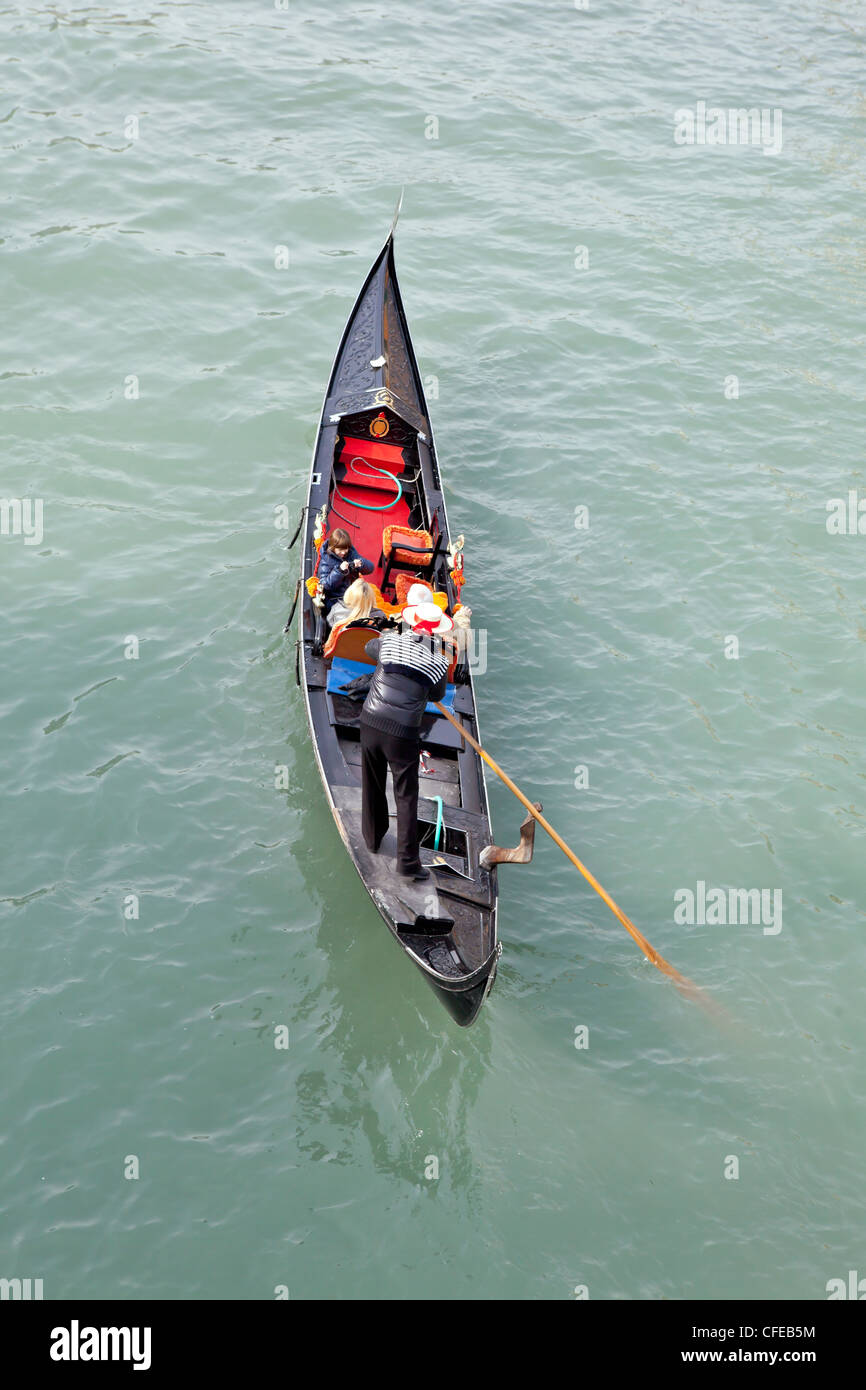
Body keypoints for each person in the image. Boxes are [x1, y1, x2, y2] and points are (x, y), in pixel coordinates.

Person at [359, 602, 455, 881]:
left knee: (372, 781)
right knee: (406, 794)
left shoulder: (389, 642)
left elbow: (369, 649)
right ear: (437, 632)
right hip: (402, 733)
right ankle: (408, 863)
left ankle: (372, 839)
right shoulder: (439, 660)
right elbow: (436, 695)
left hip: (370, 720)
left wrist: (393, 636)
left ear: (410, 623)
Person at [318, 528, 374, 616]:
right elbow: (325, 585)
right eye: (340, 550)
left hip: (353, 592)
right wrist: (339, 571)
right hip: (337, 598)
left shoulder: (351, 553)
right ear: (333, 548)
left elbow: (371, 568)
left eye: (346, 549)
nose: (344, 552)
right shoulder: (326, 561)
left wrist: (361, 563)